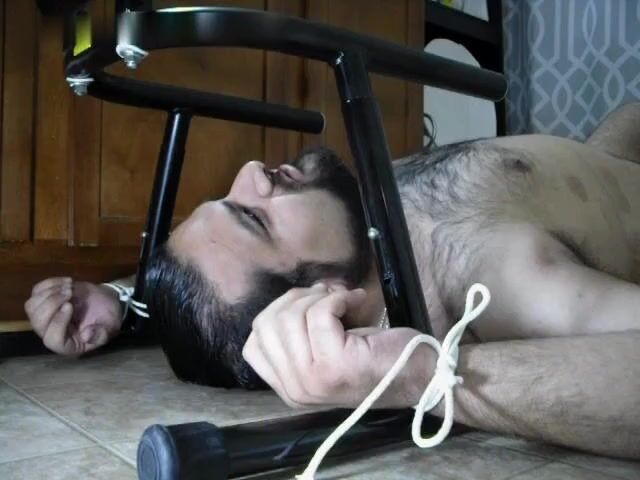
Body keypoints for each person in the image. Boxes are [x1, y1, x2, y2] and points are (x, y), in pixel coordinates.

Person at [24, 102, 640, 459]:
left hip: (609, 145)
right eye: (253, 216)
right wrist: (422, 378)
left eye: (227, 197)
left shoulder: (362, 217)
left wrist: (121, 297)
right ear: (319, 300)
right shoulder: (492, 277)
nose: (251, 172)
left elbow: (216, 274)